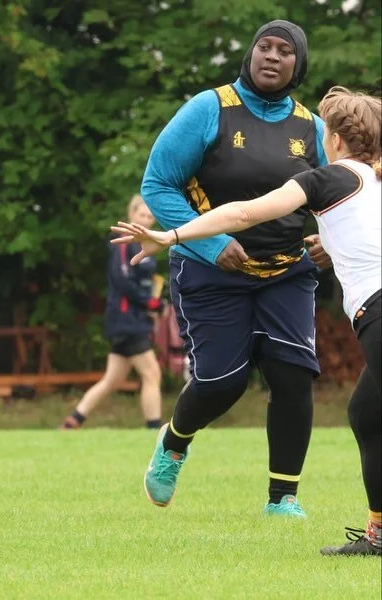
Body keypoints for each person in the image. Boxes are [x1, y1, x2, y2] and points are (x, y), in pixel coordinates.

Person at [113, 86, 381, 556]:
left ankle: (334, 516)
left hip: (377, 312)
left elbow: (240, 213)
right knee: (364, 413)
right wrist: (331, 244)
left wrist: (171, 234)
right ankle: (378, 534)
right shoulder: (373, 182)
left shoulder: (324, 179)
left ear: (334, 139)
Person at [138, 20, 333, 517]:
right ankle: (175, 442)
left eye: (284, 51)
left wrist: (328, 240)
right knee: (224, 382)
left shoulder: (312, 128)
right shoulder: (209, 108)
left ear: (299, 64)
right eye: (263, 47)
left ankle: (283, 499)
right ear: (249, 56)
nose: (271, 57)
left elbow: (339, 194)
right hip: (211, 272)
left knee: (291, 376)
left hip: (287, 269)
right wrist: (213, 244)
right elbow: (158, 185)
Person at [60, 195, 163, 430]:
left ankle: (72, 421)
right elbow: (123, 281)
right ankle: (154, 428)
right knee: (152, 374)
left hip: (134, 319)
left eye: (149, 217)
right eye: (141, 215)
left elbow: (144, 283)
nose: (146, 221)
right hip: (125, 320)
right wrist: (150, 303)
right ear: (131, 215)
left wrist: (156, 302)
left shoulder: (144, 244)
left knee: (111, 380)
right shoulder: (123, 242)